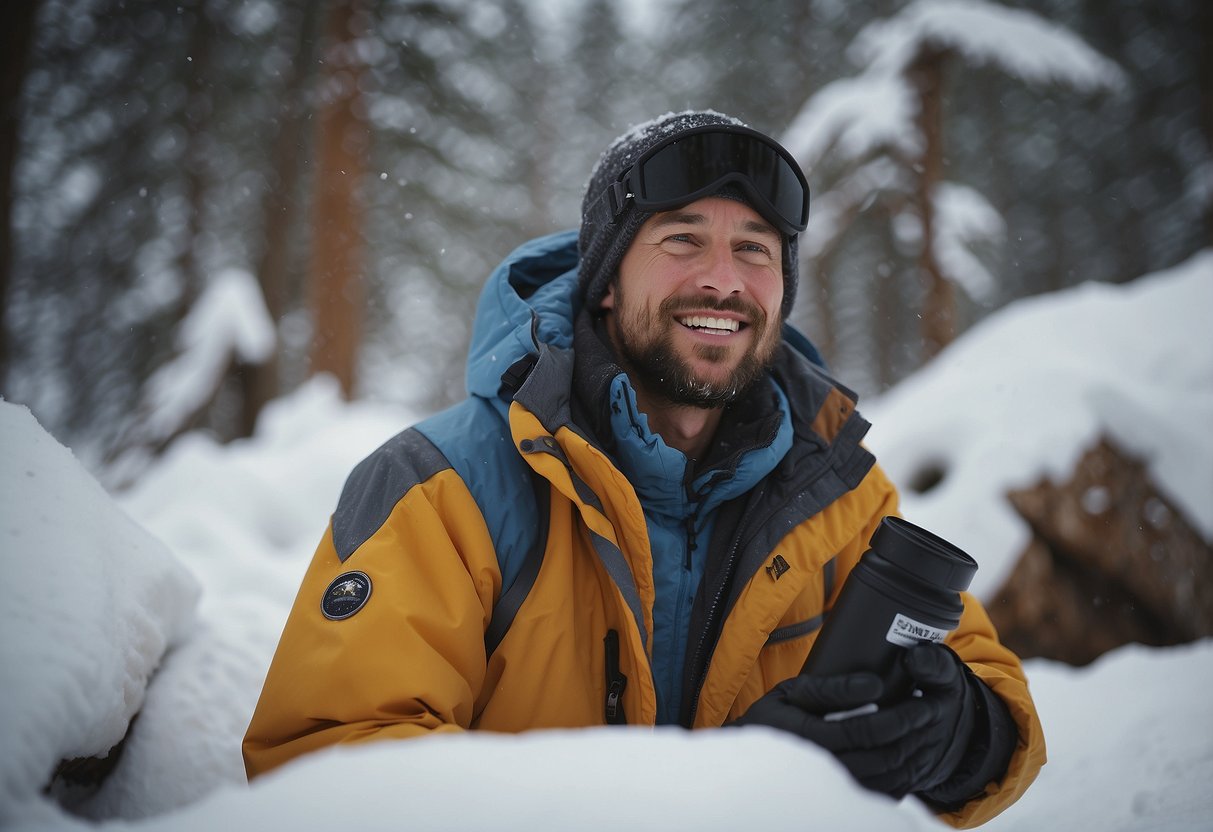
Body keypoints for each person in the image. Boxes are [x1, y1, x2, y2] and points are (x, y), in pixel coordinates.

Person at [243, 110, 1045, 827]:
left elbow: (997, 703)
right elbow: (329, 768)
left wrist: (954, 737)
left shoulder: (837, 492)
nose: (723, 280)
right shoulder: (441, 486)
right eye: (682, 240)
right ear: (603, 283)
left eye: (754, 250)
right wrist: (710, 796)